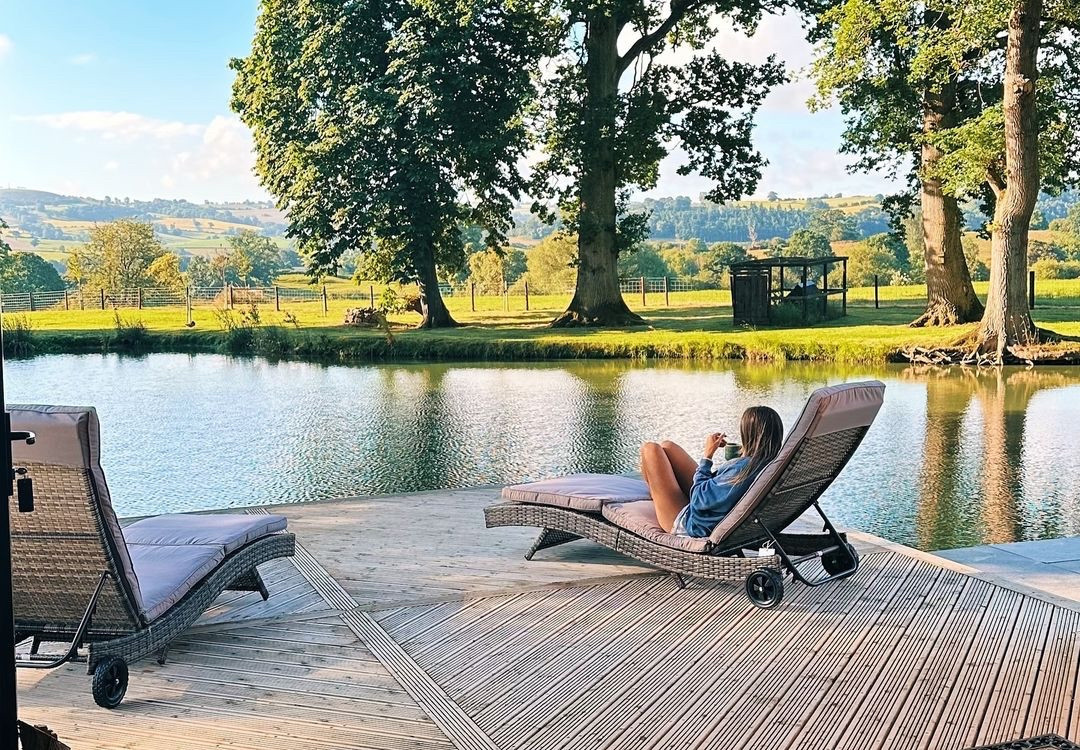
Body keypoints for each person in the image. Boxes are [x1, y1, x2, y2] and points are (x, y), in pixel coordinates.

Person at [639, 406, 784, 537]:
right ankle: (660, 494)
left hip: (692, 524)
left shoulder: (742, 470)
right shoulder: (772, 465)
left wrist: (708, 456)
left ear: (748, 435)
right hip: (713, 513)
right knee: (668, 446)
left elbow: (698, 499)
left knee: (650, 449)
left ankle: (657, 495)